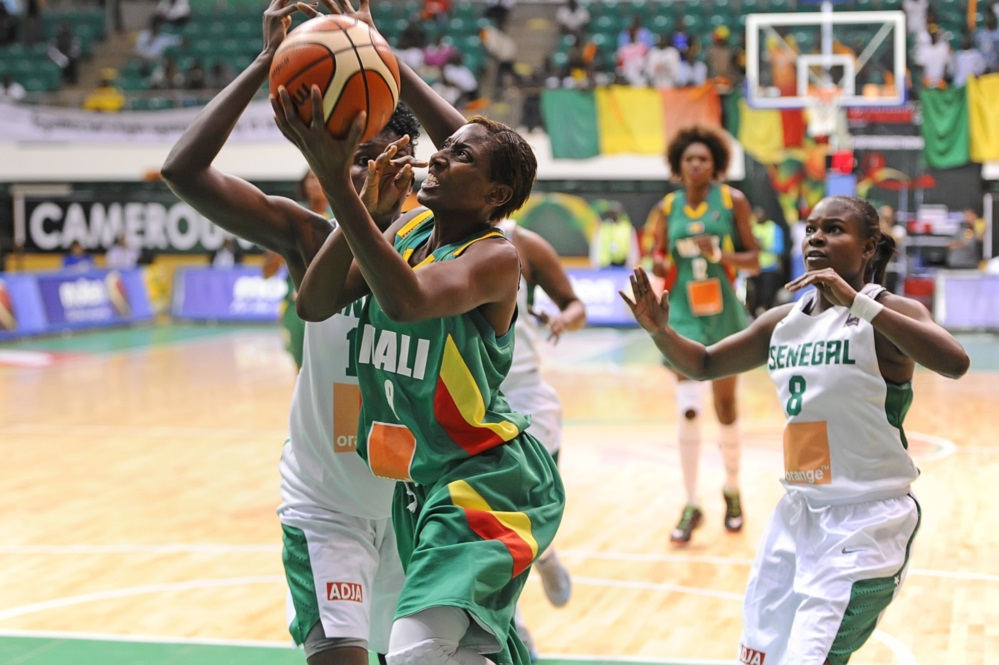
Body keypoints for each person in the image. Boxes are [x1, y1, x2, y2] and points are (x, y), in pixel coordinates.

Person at [281, 2, 565, 663]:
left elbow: (406, 302)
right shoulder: (402, 230)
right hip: (426, 481)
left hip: (488, 474)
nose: (438, 159)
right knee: (458, 650)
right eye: (443, 151)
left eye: (458, 156)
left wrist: (338, 183)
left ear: (495, 197)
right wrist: (369, 209)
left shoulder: (494, 256)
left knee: (413, 649)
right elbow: (314, 302)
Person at [160, 1, 423, 663]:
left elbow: (502, 162)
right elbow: (182, 172)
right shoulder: (309, 237)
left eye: (378, 154)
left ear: (409, 160)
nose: (363, 169)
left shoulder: (445, 251)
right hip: (327, 505)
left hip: (415, 503)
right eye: (350, 154)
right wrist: (262, 63)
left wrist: (384, 57)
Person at [621, 194, 969, 665]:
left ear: (868, 248)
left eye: (834, 229)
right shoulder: (782, 322)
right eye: (811, 229)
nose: (817, 238)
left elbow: (954, 362)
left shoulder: (887, 312)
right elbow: (704, 364)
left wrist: (859, 304)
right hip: (799, 514)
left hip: (867, 519)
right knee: (758, 658)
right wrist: (661, 332)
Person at [647, 124, 760, 544]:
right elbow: (658, 255)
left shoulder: (733, 201)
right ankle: (691, 502)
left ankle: (732, 490)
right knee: (688, 408)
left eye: (705, 159)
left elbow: (754, 260)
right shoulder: (667, 207)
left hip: (724, 313)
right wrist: (658, 265)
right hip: (683, 314)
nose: (697, 164)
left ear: (716, 166)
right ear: (679, 165)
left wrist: (722, 254)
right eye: (690, 159)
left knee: (725, 406)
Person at [496, 218, 586, 659]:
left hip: (525, 392)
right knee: (488, 522)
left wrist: (563, 321)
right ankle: (512, 621)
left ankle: (544, 554)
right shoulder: (430, 232)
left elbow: (575, 304)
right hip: (467, 394)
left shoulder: (520, 241)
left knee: (524, 511)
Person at [261, 169, 332, 371]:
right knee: (299, 365)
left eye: (319, 177)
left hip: (332, 304)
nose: (315, 182)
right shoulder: (292, 214)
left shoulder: (340, 214)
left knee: (331, 365)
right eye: (310, 178)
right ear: (303, 184)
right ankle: (302, 402)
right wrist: (278, 249)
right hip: (295, 301)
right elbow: (267, 272)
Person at [746, 206, 785, 317]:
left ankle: (769, 316)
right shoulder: (751, 228)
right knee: (754, 295)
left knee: (768, 295)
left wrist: (763, 247)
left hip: (770, 268)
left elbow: (779, 248)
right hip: (755, 269)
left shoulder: (774, 228)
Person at [589, 202, 639, 268]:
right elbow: (596, 245)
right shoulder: (603, 227)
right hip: (604, 266)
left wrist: (631, 264)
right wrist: (595, 263)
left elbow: (633, 247)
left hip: (622, 265)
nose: (614, 215)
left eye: (616, 212)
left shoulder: (627, 228)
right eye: (612, 213)